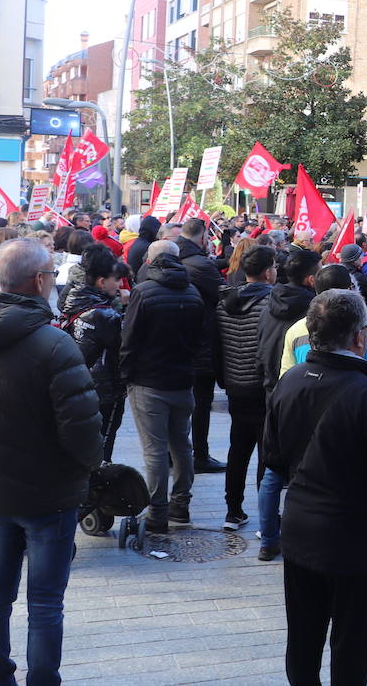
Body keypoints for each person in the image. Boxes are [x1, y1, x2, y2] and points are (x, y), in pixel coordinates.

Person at [0, 238, 103, 686]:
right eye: (50, 275)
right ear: (39, 280)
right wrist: (87, 467)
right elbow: (83, 431)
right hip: (50, 495)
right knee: (44, 602)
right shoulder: (55, 344)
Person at [261, 290, 367, 686]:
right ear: (358, 337)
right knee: (351, 645)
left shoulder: (289, 381)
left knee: (303, 639)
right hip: (356, 542)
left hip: (301, 529)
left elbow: (274, 458)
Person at [120, 239, 205, 533]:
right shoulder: (193, 293)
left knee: (155, 450)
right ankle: (180, 505)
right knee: (181, 445)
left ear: (149, 261)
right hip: (182, 380)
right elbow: (199, 339)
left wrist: (125, 374)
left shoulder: (143, 292)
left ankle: (157, 513)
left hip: (149, 381)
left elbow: (129, 339)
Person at [216, 245, 276, 532]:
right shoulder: (271, 304)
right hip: (261, 386)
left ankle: (233, 511)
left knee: (238, 449)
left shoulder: (223, 303)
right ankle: (267, 518)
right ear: (267, 272)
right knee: (266, 453)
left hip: (234, 385)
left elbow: (217, 346)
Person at [60, 245, 129, 463]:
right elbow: (125, 347)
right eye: (116, 279)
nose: (120, 284)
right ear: (101, 282)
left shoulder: (74, 298)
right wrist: (127, 309)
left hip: (79, 384)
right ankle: (97, 482)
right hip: (106, 387)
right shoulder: (106, 315)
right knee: (103, 448)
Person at [176, 218, 226, 473]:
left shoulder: (171, 258)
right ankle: (200, 454)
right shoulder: (199, 264)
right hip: (201, 341)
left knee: (180, 403)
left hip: (177, 343)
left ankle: (176, 454)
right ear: (203, 236)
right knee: (201, 402)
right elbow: (224, 294)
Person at [258, 249, 322, 389]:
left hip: (271, 384)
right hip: (298, 386)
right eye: (320, 273)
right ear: (311, 280)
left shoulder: (267, 305)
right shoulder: (314, 313)